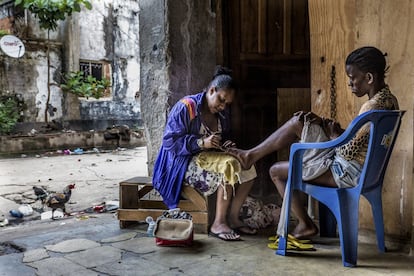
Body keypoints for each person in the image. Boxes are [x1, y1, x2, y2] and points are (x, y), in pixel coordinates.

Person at [226, 46, 399, 239]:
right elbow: (362, 139)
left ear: (369, 78)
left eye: (353, 78)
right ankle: (250, 155)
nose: (350, 83)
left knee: (276, 171)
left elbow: (347, 151)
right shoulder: (390, 101)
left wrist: (333, 135)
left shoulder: (371, 107)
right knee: (300, 122)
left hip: (346, 172)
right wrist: (327, 126)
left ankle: (305, 224)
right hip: (363, 170)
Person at [152, 66, 258, 241]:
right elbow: (170, 143)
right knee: (228, 166)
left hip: (204, 159)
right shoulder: (186, 107)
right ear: (211, 90)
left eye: (227, 104)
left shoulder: (221, 114)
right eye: (221, 100)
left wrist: (225, 144)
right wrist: (201, 142)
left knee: (248, 167)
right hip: (179, 163)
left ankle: (233, 217)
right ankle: (218, 223)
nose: (223, 106)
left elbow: (219, 141)